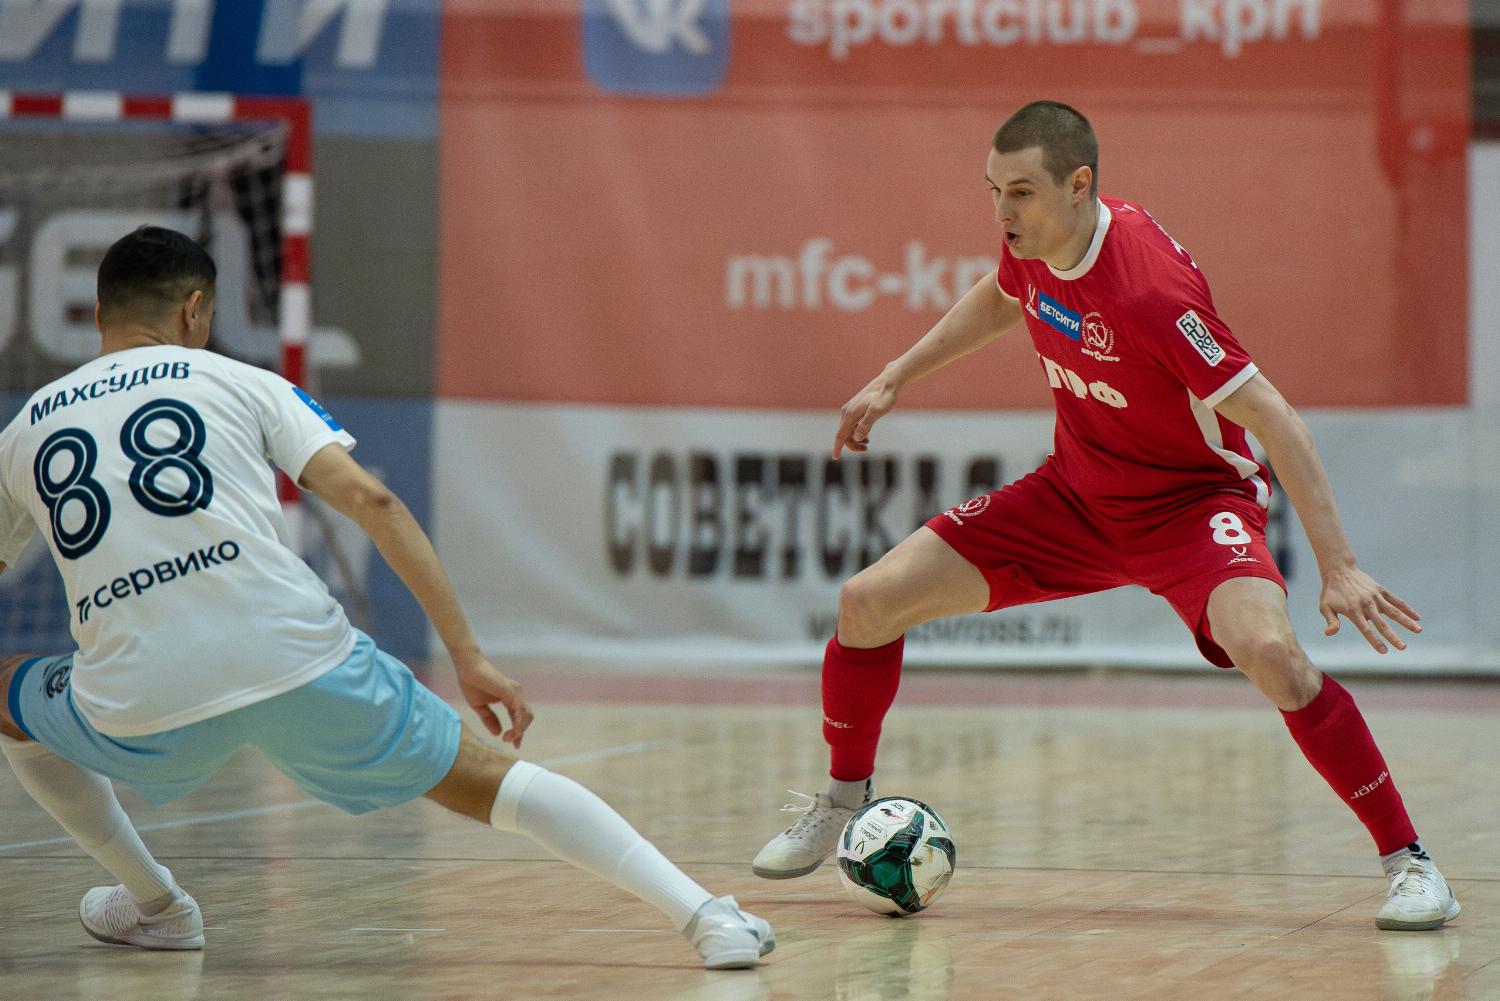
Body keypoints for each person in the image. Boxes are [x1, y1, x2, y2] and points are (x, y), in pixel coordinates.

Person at [750, 101, 1459, 932]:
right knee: (867, 601)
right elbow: (1003, 296)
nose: (1003, 211)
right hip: (1074, 498)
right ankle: (844, 800)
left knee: (1274, 654)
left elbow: (1274, 416)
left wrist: (1339, 566)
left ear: (1078, 184)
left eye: (1021, 191)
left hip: (1191, 508)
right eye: (993, 190)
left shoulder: (1152, 292)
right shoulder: (1036, 245)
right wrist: (894, 375)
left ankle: (1410, 862)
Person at [0, 225, 773, 969]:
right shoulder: (243, 382)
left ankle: (158, 906)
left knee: (7, 694)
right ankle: (707, 917)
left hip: (137, 694)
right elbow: (373, 501)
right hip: (296, 661)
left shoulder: (26, 428)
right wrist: (468, 656)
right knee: (498, 782)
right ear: (195, 309)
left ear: (97, 314)